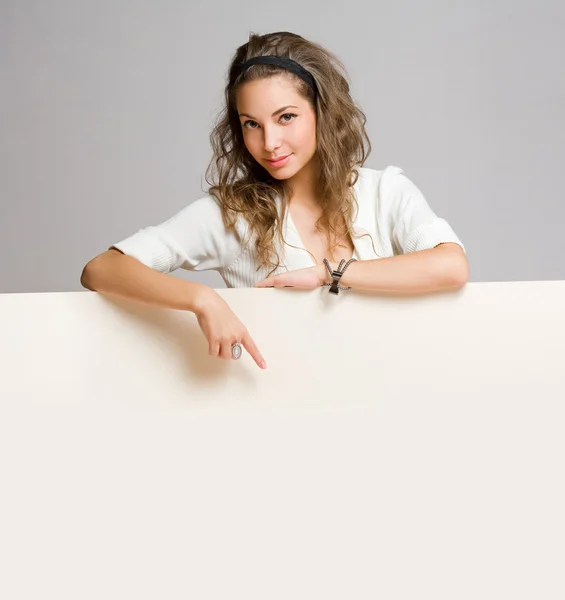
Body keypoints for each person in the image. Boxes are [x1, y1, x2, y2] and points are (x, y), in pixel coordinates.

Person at [81, 31, 469, 370]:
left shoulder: (384, 192)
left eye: (286, 117)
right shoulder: (232, 216)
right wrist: (201, 299)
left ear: (322, 112)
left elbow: (451, 266)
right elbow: (101, 269)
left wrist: (327, 273)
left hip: (389, 400)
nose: (268, 143)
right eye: (251, 123)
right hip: (280, 415)